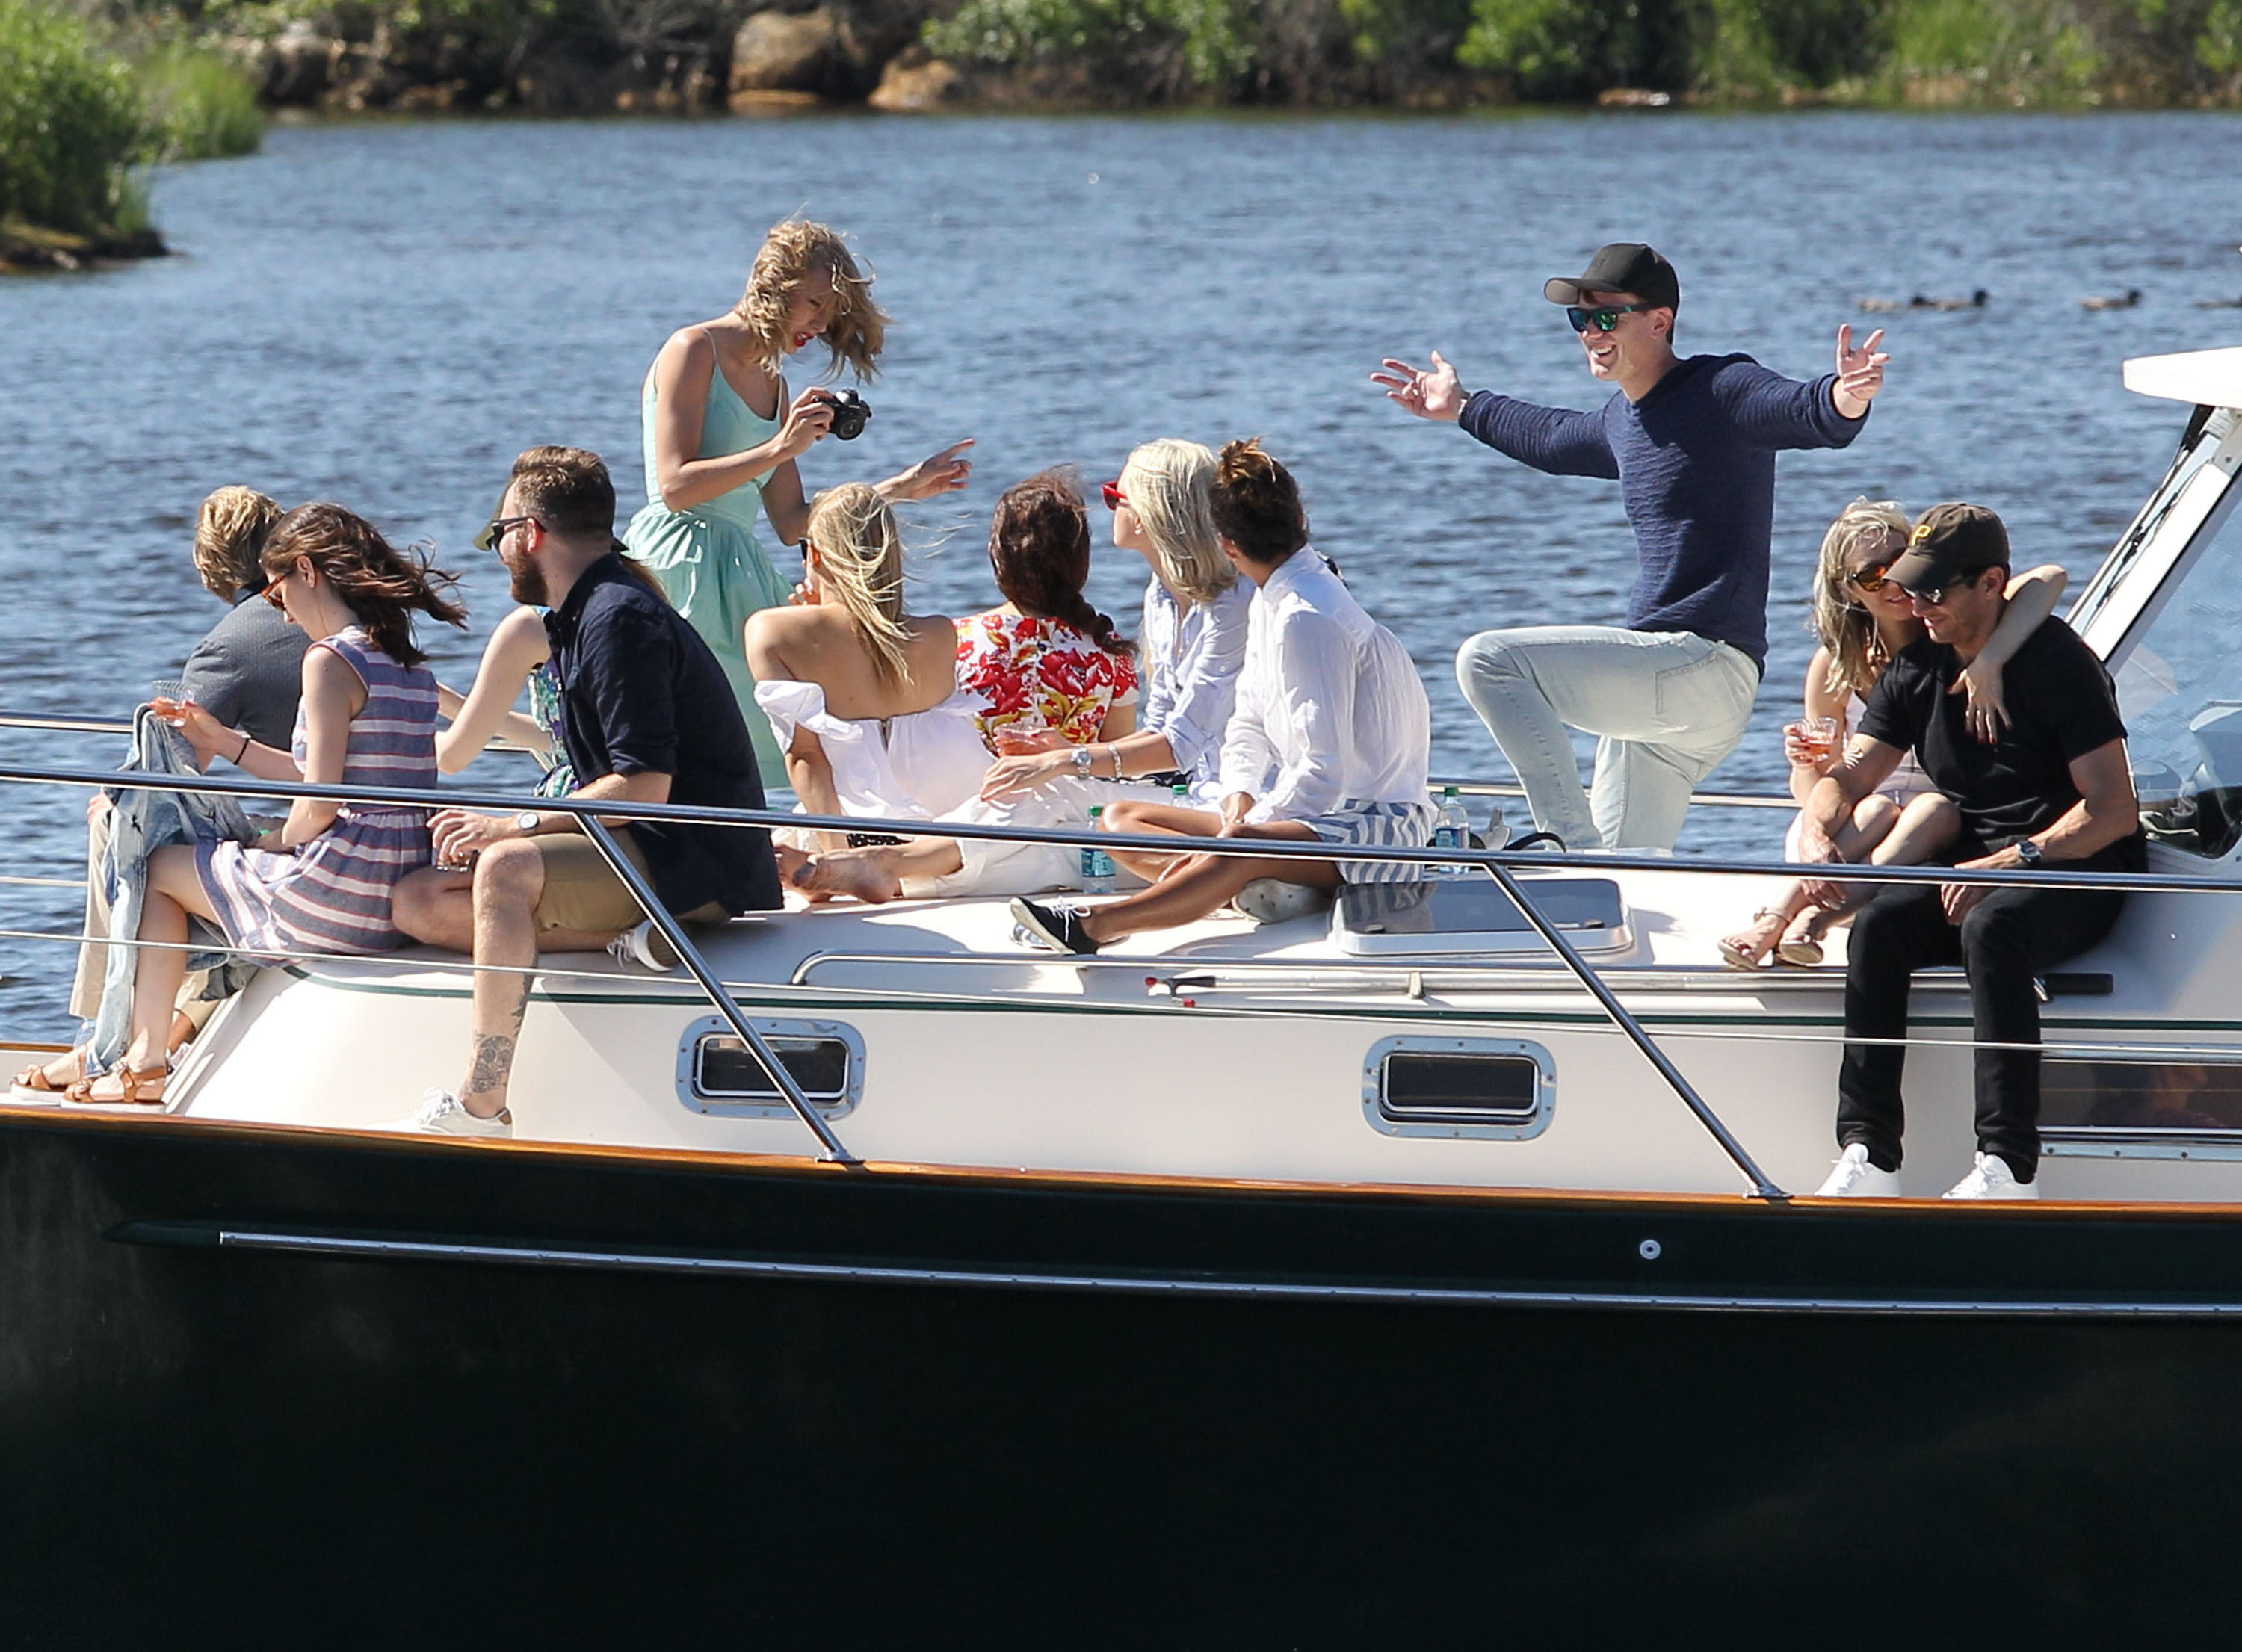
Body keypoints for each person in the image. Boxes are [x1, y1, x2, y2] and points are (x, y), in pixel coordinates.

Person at [1374, 241, 1890, 852]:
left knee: (1489, 661)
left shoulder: (1721, 389)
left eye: (1605, 316)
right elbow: (1551, 436)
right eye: (1580, 318)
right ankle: (1587, 878)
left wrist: (1847, 395)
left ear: (1659, 321)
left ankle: (1565, 842)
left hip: (1704, 667)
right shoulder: (1623, 421)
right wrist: (1461, 406)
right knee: (1618, 878)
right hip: (1657, 698)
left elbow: (1802, 410)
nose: (1590, 332)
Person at [390, 448, 784, 1138]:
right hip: (641, 845)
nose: (496, 549)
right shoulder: (578, 618)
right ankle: (639, 937)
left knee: (504, 869)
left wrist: (512, 826)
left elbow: (644, 787)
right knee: (417, 900)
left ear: (531, 533)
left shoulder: (617, 618)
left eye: (498, 533)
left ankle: (483, 1105)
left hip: (693, 855)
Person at [55, 504, 466, 1107]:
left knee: (158, 867)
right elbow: (323, 774)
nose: (282, 611)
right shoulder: (409, 666)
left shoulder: (329, 660)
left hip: (340, 892)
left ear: (308, 571)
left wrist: (268, 841)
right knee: (217, 858)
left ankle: (144, 1061)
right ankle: (155, 1041)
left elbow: (319, 805)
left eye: (276, 592)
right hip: (392, 888)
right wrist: (224, 740)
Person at [1801, 504, 2144, 1201]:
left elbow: (2114, 810)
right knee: (1880, 926)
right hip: (1978, 863)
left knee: (1992, 929)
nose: (1917, 605)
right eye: (1909, 587)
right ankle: (1870, 1151)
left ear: (1992, 584)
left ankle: (2007, 1164)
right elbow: (1852, 775)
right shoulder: (1919, 667)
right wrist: (1817, 828)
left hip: (2079, 867)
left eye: (1934, 590)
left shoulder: (2059, 664)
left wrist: (2012, 861)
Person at [1010, 440, 1432, 956]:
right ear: (1300, 519)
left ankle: (1096, 925)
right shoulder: (1270, 598)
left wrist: (1247, 831)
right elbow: (1246, 723)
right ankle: (1243, 885)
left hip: (1376, 829)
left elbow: (1325, 771)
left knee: (1239, 846)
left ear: (1227, 546)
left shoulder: (1307, 616)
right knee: (1120, 821)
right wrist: (1239, 801)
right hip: (1319, 820)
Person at [794, 440, 1250, 904]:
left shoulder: (1230, 609)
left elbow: (1181, 744)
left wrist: (1064, 760)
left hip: (1226, 804)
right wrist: (1068, 752)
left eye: (1116, 495)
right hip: (1189, 795)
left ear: (1151, 513)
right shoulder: (1162, 599)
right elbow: (1162, 728)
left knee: (1046, 807)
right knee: (1045, 822)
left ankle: (890, 867)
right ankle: (893, 870)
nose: (1108, 505)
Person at [621, 217, 975, 780]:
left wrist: (900, 488)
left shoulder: (775, 383)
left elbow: (792, 523)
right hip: (677, 561)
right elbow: (675, 486)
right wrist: (780, 447)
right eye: (814, 303)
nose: (821, 324)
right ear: (775, 286)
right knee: (685, 731)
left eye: (830, 312)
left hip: (739, 572)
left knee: (760, 743)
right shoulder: (693, 348)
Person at [16, 486, 313, 1098]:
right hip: (346, 819)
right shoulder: (344, 622)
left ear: (209, 568)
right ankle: (161, 1029)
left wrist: (114, 800)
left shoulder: (231, 643)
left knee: (118, 818)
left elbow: (172, 769)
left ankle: (105, 1036)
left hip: (309, 840)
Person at [1717, 499, 2069, 968]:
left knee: (1931, 810)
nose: (1893, 583)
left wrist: (1990, 661)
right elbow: (1824, 785)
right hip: (1854, 829)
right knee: (1878, 807)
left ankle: (1808, 917)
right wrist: (1807, 776)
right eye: (1871, 576)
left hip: (1933, 823)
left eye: (1900, 563)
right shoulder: (1836, 665)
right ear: (1848, 590)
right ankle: (1777, 919)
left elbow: (2050, 578)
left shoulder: (1952, 630)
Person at [743, 482, 985, 859]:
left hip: (856, 834)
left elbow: (806, 758)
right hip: (953, 835)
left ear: (816, 555)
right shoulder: (940, 633)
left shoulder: (773, 631)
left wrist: (836, 860)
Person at [436, 450, 674, 798]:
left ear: (530, 535)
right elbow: (562, 737)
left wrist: (381, 732)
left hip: (585, 803)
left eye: (499, 535)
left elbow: (451, 758)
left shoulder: (530, 628)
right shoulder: (635, 600)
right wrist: (448, 702)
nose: (500, 556)